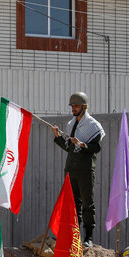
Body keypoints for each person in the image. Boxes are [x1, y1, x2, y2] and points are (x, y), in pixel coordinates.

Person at [51, 91, 105, 248]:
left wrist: (82, 144)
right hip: (71, 169)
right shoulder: (70, 124)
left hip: (86, 170)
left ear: (85, 107)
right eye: (72, 106)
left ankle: (88, 237)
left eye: (76, 106)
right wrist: (58, 137)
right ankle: (73, 236)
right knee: (72, 204)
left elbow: (97, 147)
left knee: (87, 203)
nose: (73, 108)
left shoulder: (94, 126)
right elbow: (69, 148)